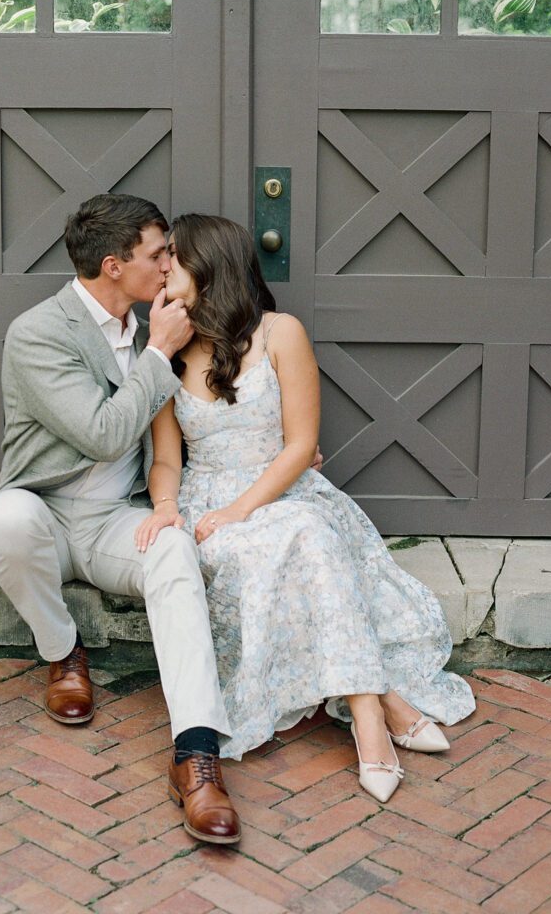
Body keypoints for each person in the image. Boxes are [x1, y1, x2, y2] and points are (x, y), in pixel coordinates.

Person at [135, 214, 475, 803]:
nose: (164, 268)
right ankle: (384, 704)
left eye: (175, 259)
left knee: (308, 532)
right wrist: (167, 506)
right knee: (296, 544)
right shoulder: (167, 349)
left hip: (279, 489)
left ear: (210, 267)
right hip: (207, 500)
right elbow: (166, 459)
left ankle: (369, 717)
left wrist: (244, 508)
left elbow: (300, 445)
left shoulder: (280, 332)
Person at [0, 194, 241, 844]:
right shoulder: (37, 333)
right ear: (114, 266)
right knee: (3, 518)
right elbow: (101, 434)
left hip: (120, 520)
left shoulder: (160, 325)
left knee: (173, 552)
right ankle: (63, 654)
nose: (172, 264)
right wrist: (157, 357)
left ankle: (197, 756)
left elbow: (216, 405)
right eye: (159, 254)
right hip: (47, 520)